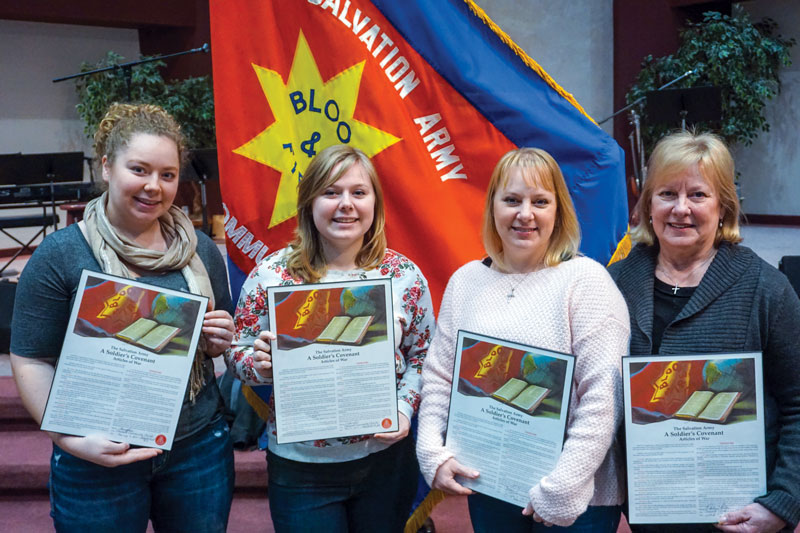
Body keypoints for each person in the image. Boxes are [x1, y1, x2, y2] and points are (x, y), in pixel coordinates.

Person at [10, 103, 236, 532]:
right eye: (140, 169)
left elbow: (213, 345)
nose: (154, 186)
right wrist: (70, 439)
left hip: (197, 447)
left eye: (168, 175)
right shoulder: (60, 254)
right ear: (108, 167)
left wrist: (219, 338)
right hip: (95, 453)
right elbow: (30, 358)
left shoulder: (201, 250)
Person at [416, 147, 631, 531]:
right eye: (512, 200)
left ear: (558, 210)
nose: (524, 214)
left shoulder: (586, 281)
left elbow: (604, 398)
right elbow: (438, 378)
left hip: (578, 498)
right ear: (493, 207)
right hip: (492, 483)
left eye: (540, 201)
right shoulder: (466, 281)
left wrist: (563, 486)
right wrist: (431, 450)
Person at [225, 144, 434, 532]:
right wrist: (258, 364)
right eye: (331, 192)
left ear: (375, 202)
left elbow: (424, 357)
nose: (346, 205)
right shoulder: (271, 275)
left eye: (358, 192)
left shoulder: (404, 276)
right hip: (301, 466)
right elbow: (236, 355)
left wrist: (405, 408)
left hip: (385, 461)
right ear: (309, 202)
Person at [608, 131, 800, 533]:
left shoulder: (766, 288)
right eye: (666, 194)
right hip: (648, 515)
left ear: (724, 206)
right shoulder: (614, 283)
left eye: (698, 195)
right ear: (646, 205)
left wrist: (783, 503)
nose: (681, 209)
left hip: (744, 520)